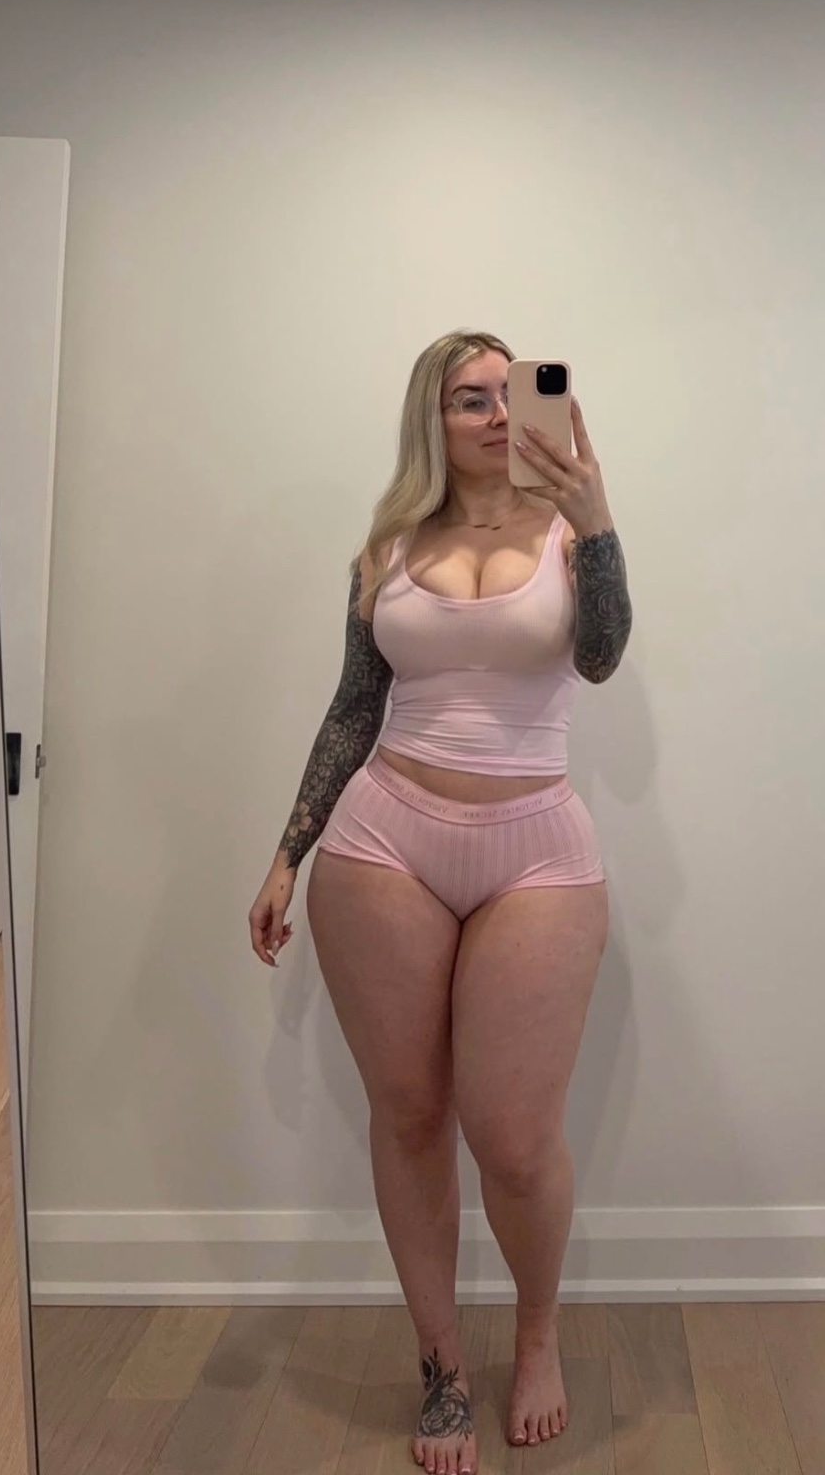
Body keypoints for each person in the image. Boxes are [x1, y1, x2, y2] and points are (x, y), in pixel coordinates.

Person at [249, 330, 632, 1475]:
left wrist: (597, 516)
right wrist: (286, 853)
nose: (497, 413)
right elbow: (351, 708)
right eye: (470, 398)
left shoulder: (566, 532)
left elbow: (601, 656)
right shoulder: (385, 550)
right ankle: (440, 1368)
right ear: (434, 418)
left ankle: (535, 1331)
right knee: (410, 1113)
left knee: (511, 1138)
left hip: (534, 850)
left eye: (511, 392)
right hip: (384, 841)